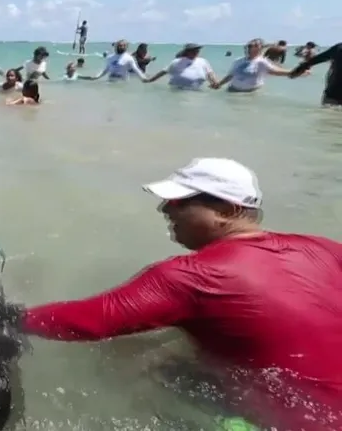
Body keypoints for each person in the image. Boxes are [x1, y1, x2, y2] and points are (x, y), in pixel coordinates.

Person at [22, 157, 342, 430]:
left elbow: (92, 320)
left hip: (299, 422)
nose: (165, 209)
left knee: (155, 372)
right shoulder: (325, 248)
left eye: (178, 202)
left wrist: (1, 316)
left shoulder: (190, 276)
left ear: (227, 210)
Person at [213, 39, 299, 93]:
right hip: (232, 91)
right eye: (250, 46)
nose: (251, 48)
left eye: (255, 46)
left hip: (250, 94)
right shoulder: (238, 61)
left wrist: (297, 71)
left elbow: (276, 71)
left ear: (260, 48)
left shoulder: (262, 62)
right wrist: (219, 84)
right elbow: (230, 75)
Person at [145, 43, 218, 89]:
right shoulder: (177, 62)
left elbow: (210, 73)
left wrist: (215, 82)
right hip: (178, 91)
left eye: (197, 50)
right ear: (187, 51)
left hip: (196, 91)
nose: (196, 52)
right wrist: (150, 80)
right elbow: (164, 72)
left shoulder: (203, 61)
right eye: (194, 50)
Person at [79, 40, 146, 82]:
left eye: (122, 46)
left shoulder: (129, 58)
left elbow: (136, 70)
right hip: (110, 82)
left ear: (126, 47)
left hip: (122, 83)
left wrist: (144, 78)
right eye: (119, 46)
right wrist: (96, 77)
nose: (120, 47)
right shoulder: (110, 57)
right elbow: (105, 70)